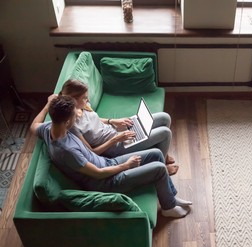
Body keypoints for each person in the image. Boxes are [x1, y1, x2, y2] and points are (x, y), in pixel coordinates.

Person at [30, 95, 192, 218]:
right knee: (158, 169)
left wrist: (47, 105)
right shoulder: (67, 151)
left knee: (156, 154)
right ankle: (168, 208)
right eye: (74, 115)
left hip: (107, 162)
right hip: (106, 182)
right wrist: (126, 165)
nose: (78, 116)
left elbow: (33, 126)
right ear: (66, 122)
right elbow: (98, 174)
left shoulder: (48, 129)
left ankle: (171, 198)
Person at [58, 79, 179, 175]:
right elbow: (93, 152)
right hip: (115, 146)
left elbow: (94, 120)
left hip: (116, 131)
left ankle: (164, 153)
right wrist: (117, 139)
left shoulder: (82, 107)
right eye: (84, 98)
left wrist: (113, 121)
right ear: (73, 100)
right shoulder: (72, 125)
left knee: (165, 117)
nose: (88, 99)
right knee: (165, 133)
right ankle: (163, 167)